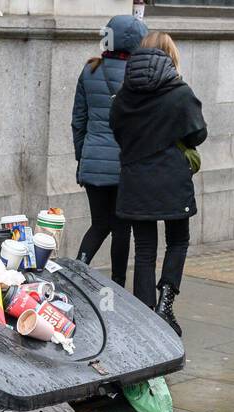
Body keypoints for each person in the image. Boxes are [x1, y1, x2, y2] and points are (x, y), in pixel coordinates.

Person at [109, 30, 207, 333]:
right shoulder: (179, 92)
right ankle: (165, 303)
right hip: (172, 180)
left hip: (136, 181)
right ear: (170, 56)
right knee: (178, 240)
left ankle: (144, 317)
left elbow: (117, 132)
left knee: (145, 249)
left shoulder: (124, 94)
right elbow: (198, 135)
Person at [71, 13, 148, 287]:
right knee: (121, 227)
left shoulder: (90, 70)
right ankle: (117, 283)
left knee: (99, 223)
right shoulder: (140, 75)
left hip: (92, 162)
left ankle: (77, 270)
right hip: (124, 165)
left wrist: (82, 158)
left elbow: (78, 121)